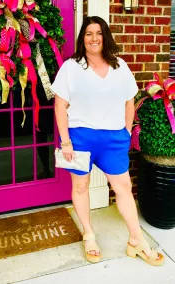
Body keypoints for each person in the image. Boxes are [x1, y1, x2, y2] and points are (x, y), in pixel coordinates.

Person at [50, 16, 164, 266]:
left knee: (123, 187)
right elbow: (60, 106)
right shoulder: (71, 66)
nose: (93, 38)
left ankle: (136, 240)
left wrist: (125, 131)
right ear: (83, 38)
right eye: (88, 33)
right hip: (80, 137)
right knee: (81, 187)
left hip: (114, 138)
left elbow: (129, 101)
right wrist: (65, 141)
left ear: (105, 36)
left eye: (98, 33)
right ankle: (88, 234)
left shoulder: (119, 66)